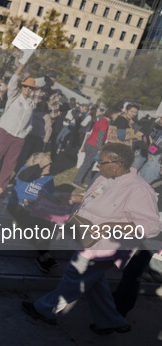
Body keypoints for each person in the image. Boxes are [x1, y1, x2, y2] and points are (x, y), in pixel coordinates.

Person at [22, 143, 161, 334]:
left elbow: (152, 226)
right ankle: (110, 321)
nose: (97, 165)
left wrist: (114, 226)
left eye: (101, 162)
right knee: (95, 282)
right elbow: (90, 198)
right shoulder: (105, 177)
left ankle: (44, 309)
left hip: (103, 247)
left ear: (117, 163)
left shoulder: (138, 190)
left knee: (73, 280)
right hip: (84, 236)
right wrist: (68, 198)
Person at [0, 63, 39, 197]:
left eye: (31, 88)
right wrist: (21, 66)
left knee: (10, 163)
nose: (28, 89)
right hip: (4, 132)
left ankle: (2, 185)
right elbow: (13, 82)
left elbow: (30, 121)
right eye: (25, 86)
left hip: (19, 137)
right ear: (22, 86)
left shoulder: (30, 103)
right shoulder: (14, 96)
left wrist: (26, 132)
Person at [7, 153, 57, 273]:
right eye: (46, 165)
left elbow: (50, 196)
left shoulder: (49, 178)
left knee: (46, 225)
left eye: (49, 164)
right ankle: (44, 256)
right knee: (32, 223)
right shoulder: (25, 171)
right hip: (18, 205)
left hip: (37, 208)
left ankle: (44, 255)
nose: (49, 167)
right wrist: (40, 166)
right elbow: (24, 177)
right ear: (37, 165)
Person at [73, 106, 121, 189]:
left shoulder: (102, 120)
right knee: (87, 164)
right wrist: (100, 149)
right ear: (112, 114)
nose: (118, 117)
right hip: (94, 145)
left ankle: (87, 180)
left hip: (90, 143)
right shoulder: (105, 123)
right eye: (117, 115)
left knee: (90, 163)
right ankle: (77, 181)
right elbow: (100, 138)